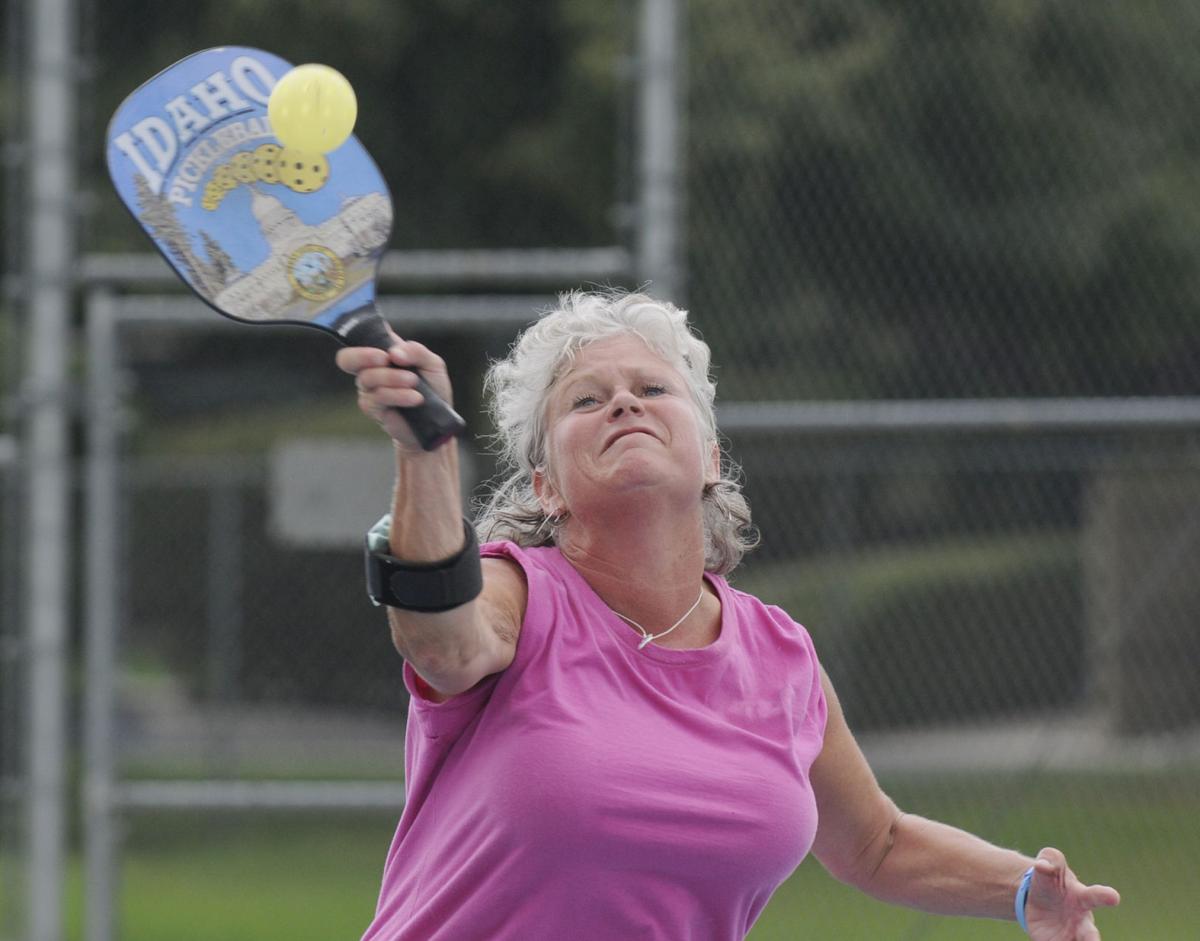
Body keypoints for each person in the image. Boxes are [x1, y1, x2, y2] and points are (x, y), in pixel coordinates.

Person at [337, 290, 1120, 941]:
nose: (623, 403)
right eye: (586, 399)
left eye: (652, 389)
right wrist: (426, 450)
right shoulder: (519, 591)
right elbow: (442, 644)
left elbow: (877, 842)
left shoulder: (779, 654)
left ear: (710, 458)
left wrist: (1026, 888)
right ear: (547, 487)